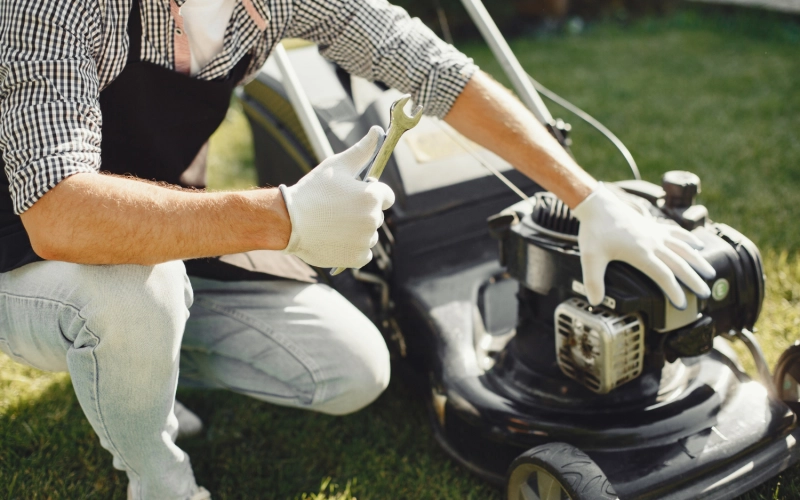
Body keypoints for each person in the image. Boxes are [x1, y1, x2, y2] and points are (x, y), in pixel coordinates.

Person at [0, 0, 716, 497]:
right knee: (136, 292)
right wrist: (283, 216)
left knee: (352, 369)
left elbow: (432, 67)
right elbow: (58, 213)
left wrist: (589, 198)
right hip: (28, 262)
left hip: (173, 239)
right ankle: (157, 476)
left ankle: (138, 368)